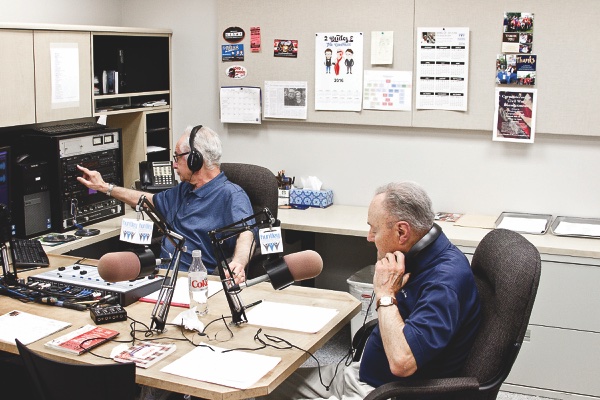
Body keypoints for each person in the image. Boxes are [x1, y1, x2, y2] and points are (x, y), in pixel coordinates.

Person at [260, 181, 481, 400]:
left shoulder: (443, 282)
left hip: (383, 393)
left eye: (374, 229)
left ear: (402, 232)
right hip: (359, 375)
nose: (369, 237)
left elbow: (402, 362)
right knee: (264, 386)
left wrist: (385, 295)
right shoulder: (416, 256)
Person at [76, 125, 254, 282]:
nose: (174, 165)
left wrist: (238, 262)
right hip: (161, 276)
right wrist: (105, 187)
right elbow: (148, 201)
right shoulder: (184, 189)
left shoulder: (231, 195)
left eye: (177, 157)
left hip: (195, 282)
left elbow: (246, 233)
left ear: (195, 159)